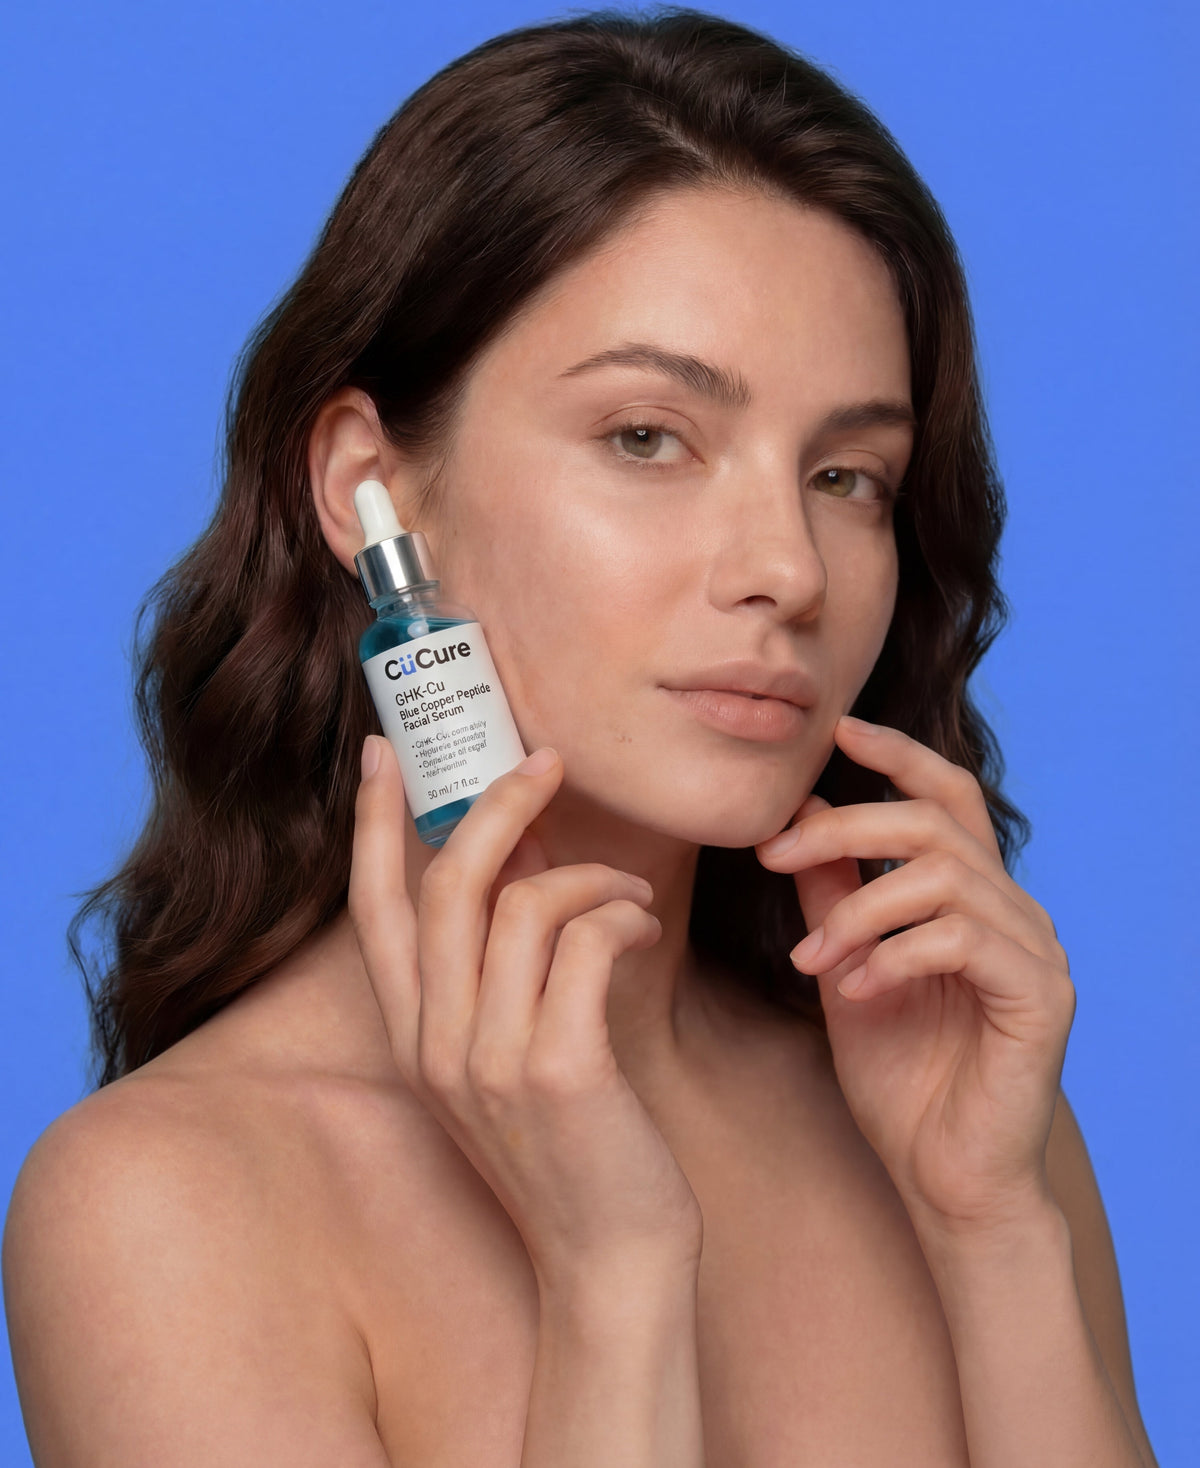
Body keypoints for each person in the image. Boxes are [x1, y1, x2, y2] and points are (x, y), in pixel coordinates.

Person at [2, 7, 1159, 1465]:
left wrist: (992, 1228)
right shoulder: (169, 1203)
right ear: (374, 491)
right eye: (647, 438)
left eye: (849, 476)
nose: (786, 570)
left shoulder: (960, 1121)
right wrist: (614, 1276)